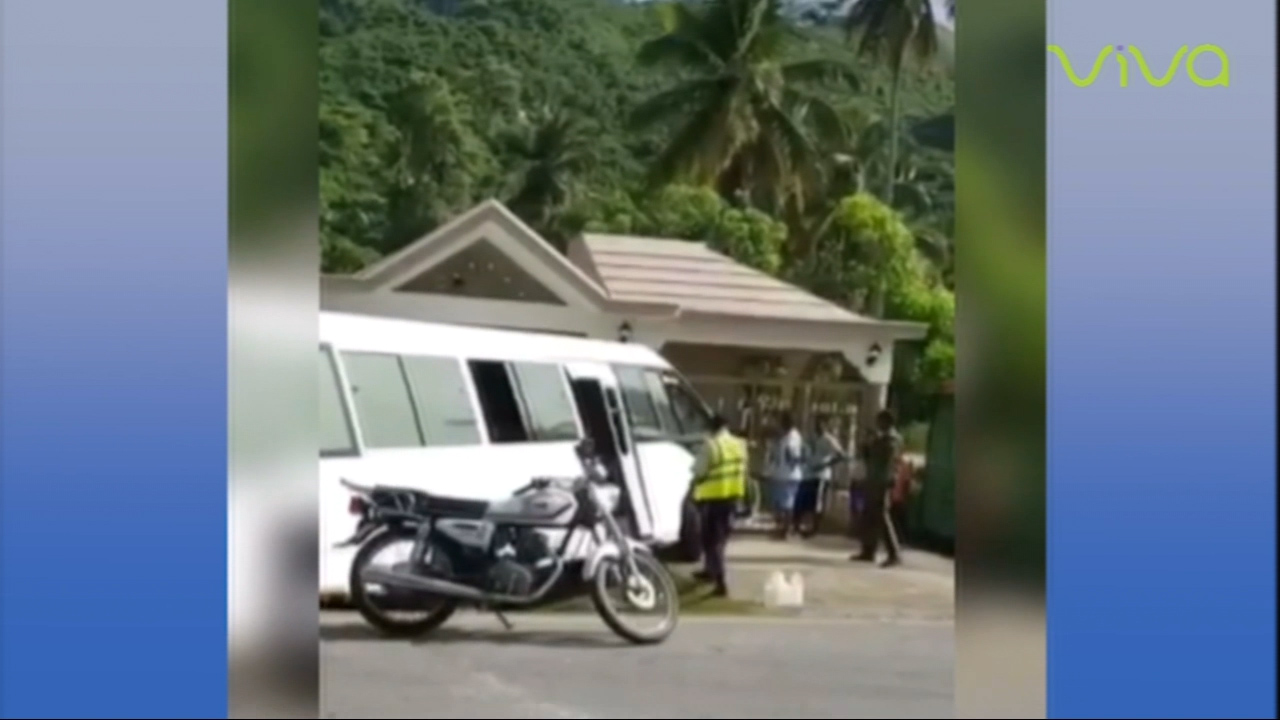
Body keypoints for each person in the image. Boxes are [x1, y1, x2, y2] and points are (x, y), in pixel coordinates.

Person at [689, 413, 748, 597]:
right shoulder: (739, 444)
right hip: (732, 498)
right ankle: (710, 572)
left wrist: (692, 490)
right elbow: (743, 472)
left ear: (712, 428)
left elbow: (698, 471)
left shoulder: (711, 445)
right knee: (720, 540)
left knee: (711, 541)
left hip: (712, 500)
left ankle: (720, 582)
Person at [851, 409, 903, 567]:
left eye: (880, 422)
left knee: (882, 517)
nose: (877, 425)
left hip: (882, 481)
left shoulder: (891, 440)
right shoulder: (882, 439)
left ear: (887, 422)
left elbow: (886, 460)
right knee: (869, 516)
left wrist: (872, 443)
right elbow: (870, 457)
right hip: (873, 480)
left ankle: (894, 553)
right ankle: (868, 550)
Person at [795, 415, 846, 534]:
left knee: (817, 503)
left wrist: (825, 465)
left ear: (825, 426)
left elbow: (841, 455)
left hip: (821, 475)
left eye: (821, 424)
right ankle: (797, 526)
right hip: (807, 474)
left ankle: (814, 528)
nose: (818, 426)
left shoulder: (829, 440)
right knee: (801, 500)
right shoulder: (809, 437)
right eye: (816, 423)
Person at [766, 411, 806, 539]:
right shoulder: (786, 436)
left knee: (787, 504)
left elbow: (792, 454)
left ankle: (786, 530)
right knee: (781, 504)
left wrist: (791, 460)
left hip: (788, 475)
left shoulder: (792, 437)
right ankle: (783, 528)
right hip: (782, 474)